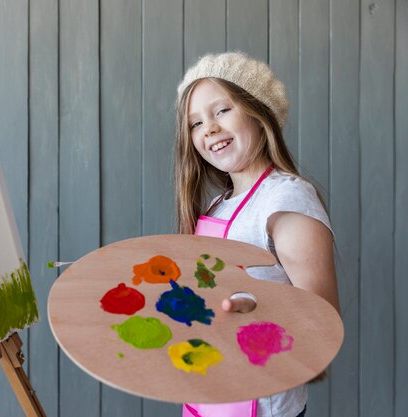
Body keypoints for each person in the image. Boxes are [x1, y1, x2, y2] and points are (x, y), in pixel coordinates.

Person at [174, 52, 340, 417]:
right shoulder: (219, 204)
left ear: (259, 113)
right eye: (195, 123)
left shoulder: (286, 197)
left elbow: (322, 322)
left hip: (260, 405)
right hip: (208, 393)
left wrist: (256, 310)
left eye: (222, 111)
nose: (209, 129)